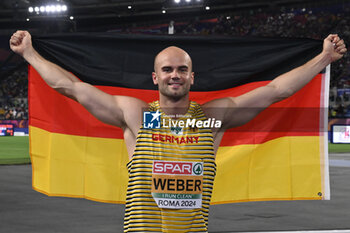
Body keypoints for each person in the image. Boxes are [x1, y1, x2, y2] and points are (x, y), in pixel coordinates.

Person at [10, 30, 346, 232]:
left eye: (182, 69)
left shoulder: (211, 117)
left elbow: (276, 90)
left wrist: (323, 59)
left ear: (192, 77)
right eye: (167, 69)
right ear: (155, 78)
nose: (175, 74)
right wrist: (29, 53)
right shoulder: (137, 116)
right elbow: (70, 87)